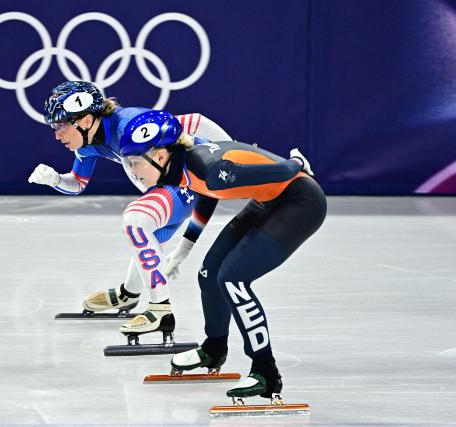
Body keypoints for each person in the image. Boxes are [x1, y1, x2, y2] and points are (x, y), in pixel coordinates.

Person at [118, 110, 326, 400]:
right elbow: (206, 193)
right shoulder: (182, 166)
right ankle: (214, 349)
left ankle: (266, 372)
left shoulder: (210, 169)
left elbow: (286, 171)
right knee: (210, 273)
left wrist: (297, 161)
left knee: (232, 279)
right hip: (269, 200)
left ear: (161, 156)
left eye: (136, 162)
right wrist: (185, 247)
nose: (133, 170)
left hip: (301, 203)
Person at [27, 81, 232, 338]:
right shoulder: (88, 143)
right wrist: (55, 179)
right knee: (148, 241)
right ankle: (129, 293)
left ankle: (160, 309)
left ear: (87, 120)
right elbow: (78, 183)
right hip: (173, 187)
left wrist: (229, 150)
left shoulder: (131, 123)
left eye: (60, 125)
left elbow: (194, 121)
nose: (56, 135)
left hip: (189, 182)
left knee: (137, 220)